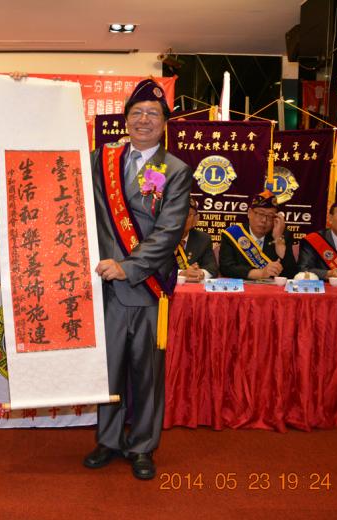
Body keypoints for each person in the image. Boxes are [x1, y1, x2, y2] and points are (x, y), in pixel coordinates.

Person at [85, 78, 192, 480]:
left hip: (148, 289)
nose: (144, 120)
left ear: (164, 123)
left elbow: (169, 232)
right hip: (106, 289)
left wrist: (127, 267)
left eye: (153, 114)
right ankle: (109, 440)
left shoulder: (175, 170)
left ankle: (143, 446)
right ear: (125, 119)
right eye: (137, 112)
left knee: (147, 373)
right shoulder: (102, 159)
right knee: (109, 368)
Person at [219, 190, 298, 280]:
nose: (264, 220)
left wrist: (278, 241)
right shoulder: (233, 234)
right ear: (249, 213)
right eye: (260, 214)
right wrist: (260, 273)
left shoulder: (283, 235)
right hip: (242, 287)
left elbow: (291, 274)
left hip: (271, 288)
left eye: (270, 216)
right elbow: (226, 269)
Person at [176, 197, 218, 281]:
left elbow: (212, 268)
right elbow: (155, 268)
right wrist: (181, 273)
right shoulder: (160, 237)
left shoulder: (203, 239)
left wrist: (201, 273)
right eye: (178, 214)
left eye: (187, 215)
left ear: (196, 219)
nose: (182, 219)